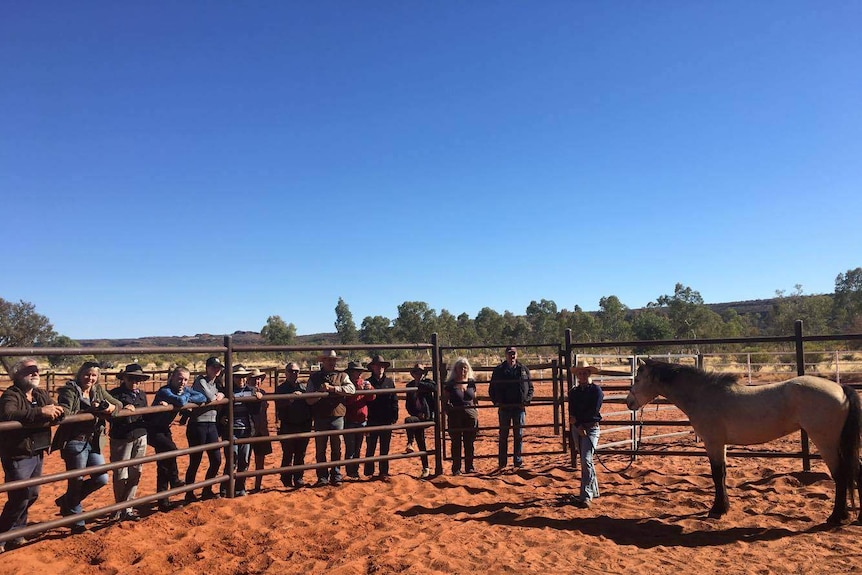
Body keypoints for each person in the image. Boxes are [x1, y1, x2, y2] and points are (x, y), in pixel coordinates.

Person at [0, 358, 64, 553]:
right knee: (19, 496)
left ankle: (17, 532)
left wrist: (56, 412)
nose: (36, 373)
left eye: (37, 370)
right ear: (18, 374)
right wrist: (40, 412)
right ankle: (3, 534)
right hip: (18, 453)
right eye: (30, 370)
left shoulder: (40, 393)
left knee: (32, 494)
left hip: (37, 450)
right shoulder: (11, 395)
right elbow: (8, 415)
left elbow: (56, 409)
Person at [52, 361, 122, 534]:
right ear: (79, 373)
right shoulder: (70, 390)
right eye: (87, 374)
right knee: (76, 481)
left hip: (94, 441)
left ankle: (67, 502)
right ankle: (78, 524)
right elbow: (66, 412)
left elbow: (117, 405)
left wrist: (108, 408)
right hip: (75, 441)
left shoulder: (97, 390)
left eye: (93, 375)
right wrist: (90, 411)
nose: (90, 378)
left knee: (101, 478)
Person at [147, 366, 206, 510]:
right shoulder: (164, 391)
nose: (183, 382)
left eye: (186, 379)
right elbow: (179, 402)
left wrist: (185, 397)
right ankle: (174, 480)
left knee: (163, 465)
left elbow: (202, 397)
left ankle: (163, 502)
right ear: (172, 377)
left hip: (164, 429)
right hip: (152, 429)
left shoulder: (184, 391)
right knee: (172, 450)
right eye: (180, 378)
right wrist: (183, 398)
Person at [305, 350, 355, 487]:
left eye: (333, 360)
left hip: (337, 415)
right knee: (320, 448)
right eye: (329, 360)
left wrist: (333, 389)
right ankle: (322, 476)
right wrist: (320, 393)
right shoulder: (314, 378)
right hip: (320, 416)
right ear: (323, 361)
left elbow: (352, 389)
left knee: (336, 446)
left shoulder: (342, 375)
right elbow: (308, 399)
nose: (332, 362)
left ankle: (336, 474)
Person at [108, 363, 150, 521]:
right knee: (120, 473)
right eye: (131, 378)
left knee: (136, 471)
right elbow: (111, 411)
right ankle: (120, 507)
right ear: (124, 378)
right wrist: (123, 409)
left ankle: (128, 508)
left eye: (138, 379)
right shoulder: (115, 394)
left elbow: (145, 414)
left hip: (140, 434)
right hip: (121, 437)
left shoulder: (142, 395)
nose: (134, 382)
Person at [184, 356, 226, 503]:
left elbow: (217, 396)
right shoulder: (200, 381)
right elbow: (209, 397)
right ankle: (189, 492)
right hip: (198, 424)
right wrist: (219, 395)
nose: (217, 369)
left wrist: (220, 394)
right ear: (207, 368)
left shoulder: (217, 384)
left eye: (218, 367)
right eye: (214, 367)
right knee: (195, 460)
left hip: (211, 424)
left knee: (216, 459)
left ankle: (206, 488)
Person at [488, 346, 533, 469]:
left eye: (513, 353)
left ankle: (517, 461)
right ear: (505, 355)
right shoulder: (498, 370)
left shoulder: (523, 369)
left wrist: (526, 401)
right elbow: (492, 388)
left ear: (516, 355)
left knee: (518, 435)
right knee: (503, 435)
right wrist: (496, 401)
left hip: (519, 407)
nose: (512, 356)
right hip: (504, 407)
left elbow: (530, 387)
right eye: (509, 354)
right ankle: (502, 462)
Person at [220, 365, 262, 496]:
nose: (241, 380)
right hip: (231, 430)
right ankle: (225, 488)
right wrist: (222, 419)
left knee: (244, 460)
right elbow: (221, 410)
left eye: (243, 377)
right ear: (233, 378)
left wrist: (258, 399)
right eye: (238, 377)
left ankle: (239, 488)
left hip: (246, 430)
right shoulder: (227, 392)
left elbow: (255, 411)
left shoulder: (251, 391)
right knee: (232, 460)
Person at [568, 359, 604, 508]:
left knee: (586, 459)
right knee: (585, 459)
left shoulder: (596, 391)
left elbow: (593, 410)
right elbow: (571, 412)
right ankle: (593, 491)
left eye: (584, 373)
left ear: (589, 374)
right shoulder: (573, 392)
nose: (582, 376)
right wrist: (578, 425)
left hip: (590, 428)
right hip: (578, 428)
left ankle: (586, 495)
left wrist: (580, 424)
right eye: (579, 373)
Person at [274, 362, 312, 488]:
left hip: (303, 424)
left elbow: (310, 402)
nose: (294, 373)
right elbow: (278, 405)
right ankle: (286, 478)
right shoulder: (281, 388)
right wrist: (290, 399)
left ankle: (298, 478)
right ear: (286, 373)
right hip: (288, 424)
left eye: (296, 371)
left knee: (301, 453)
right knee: (288, 453)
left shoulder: (304, 387)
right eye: (291, 371)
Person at [364, 355, 398, 479]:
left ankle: (383, 471)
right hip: (372, 419)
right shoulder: (367, 383)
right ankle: (369, 472)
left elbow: (394, 399)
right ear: (372, 367)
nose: (380, 368)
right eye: (378, 365)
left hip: (386, 418)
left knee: (385, 447)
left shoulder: (389, 382)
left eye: (382, 366)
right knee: (370, 446)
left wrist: (394, 415)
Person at [444, 357, 479, 476]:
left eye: (465, 367)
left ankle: (469, 466)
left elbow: (475, 399)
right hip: (455, 416)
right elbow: (445, 400)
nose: (463, 370)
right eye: (460, 367)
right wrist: (449, 412)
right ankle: (456, 468)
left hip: (470, 415)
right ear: (456, 369)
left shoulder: (471, 382)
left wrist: (475, 413)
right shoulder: (451, 384)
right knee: (456, 442)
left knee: (469, 442)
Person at [404, 363, 436, 478]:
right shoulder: (409, 386)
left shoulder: (428, 383)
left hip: (427, 416)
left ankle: (409, 442)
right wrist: (417, 413)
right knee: (421, 440)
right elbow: (408, 404)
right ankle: (425, 467)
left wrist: (419, 384)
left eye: (420, 372)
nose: (418, 374)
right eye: (416, 372)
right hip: (417, 416)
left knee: (409, 422)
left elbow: (434, 388)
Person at [343, 361, 374, 479]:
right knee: (350, 448)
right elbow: (346, 402)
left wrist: (369, 389)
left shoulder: (364, 383)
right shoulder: (346, 384)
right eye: (357, 371)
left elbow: (372, 398)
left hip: (361, 420)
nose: (359, 373)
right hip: (350, 420)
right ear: (351, 372)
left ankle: (354, 471)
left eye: (360, 371)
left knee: (358, 447)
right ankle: (351, 472)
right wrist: (357, 391)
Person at [247, 368, 272, 493]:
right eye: (254, 378)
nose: (257, 381)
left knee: (260, 460)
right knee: (244, 460)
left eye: (258, 378)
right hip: (248, 430)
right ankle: (240, 486)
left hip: (261, 430)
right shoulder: (245, 393)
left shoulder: (263, 393)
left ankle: (257, 486)